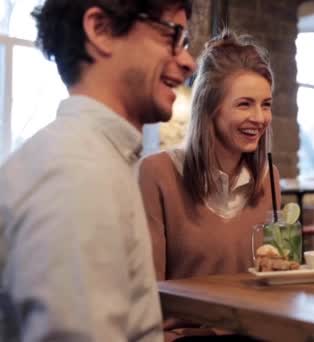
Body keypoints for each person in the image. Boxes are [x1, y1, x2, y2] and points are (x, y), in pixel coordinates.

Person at [0, 0, 196, 340]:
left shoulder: (95, 160)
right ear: (100, 30)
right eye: (172, 35)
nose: (188, 62)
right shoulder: (78, 175)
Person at [138, 30, 278, 340]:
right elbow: (149, 297)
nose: (259, 118)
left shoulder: (271, 178)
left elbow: (275, 282)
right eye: (244, 104)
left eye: (265, 104)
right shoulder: (156, 173)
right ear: (209, 108)